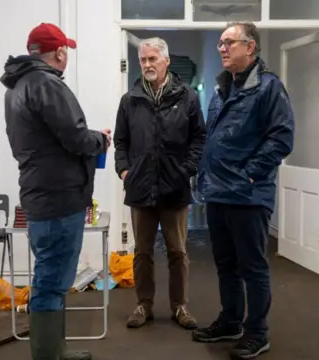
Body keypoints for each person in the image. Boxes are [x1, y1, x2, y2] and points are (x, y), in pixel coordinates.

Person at [1, 22, 111, 360]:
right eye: (66, 51)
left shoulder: (17, 87)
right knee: (51, 281)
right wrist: (100, 139)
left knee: (50, 277)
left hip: (41, 195)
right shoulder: (46, 84)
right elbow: (75, 138)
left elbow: (51, 136)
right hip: (59, 200)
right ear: (59, 52)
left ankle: (56, 350)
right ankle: (49, 354)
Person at [192, 22, 294, 359]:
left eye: (229, 42)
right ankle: (231, 321)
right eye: (220, 43)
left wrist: (250, 175)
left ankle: (257, 332)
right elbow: (214, 139)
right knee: (226, 265)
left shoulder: (268, 88)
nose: (222, 48)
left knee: (253, 266)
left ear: (250, 47)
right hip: (219, 192)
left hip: (248, 195)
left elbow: (281, 138)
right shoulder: (222, 89)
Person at [113, 37, 206, 330]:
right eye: (143, 60)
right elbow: (120, 141)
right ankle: (144, 305)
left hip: (175, 187)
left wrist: (187, 169)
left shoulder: (187, 97)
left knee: (178, 251)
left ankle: (180, 306)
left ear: (166, 61)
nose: (147, 65)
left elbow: (199, 137)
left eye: (153, 59)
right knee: (141, 252)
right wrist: (124, 171)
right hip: (140, 188)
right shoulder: (130, 100)